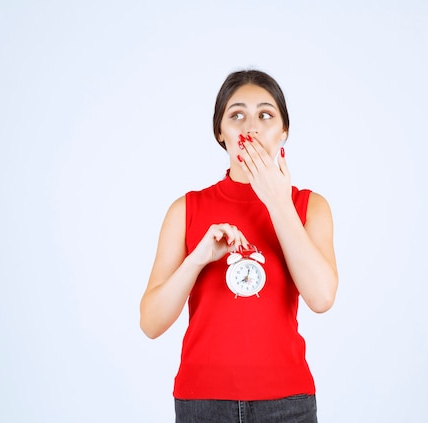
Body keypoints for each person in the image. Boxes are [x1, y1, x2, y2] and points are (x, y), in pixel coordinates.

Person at [140, 69, 338, 423]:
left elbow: (321, 297)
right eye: (236, 115)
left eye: (265, 114)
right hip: (202, 401)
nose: (251, 126)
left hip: (287, 401)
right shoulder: (186, 209)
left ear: (284, 131)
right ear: (221, 132)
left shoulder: (310, 206)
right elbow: (151, 323)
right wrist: (197, 259)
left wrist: (278, 202)